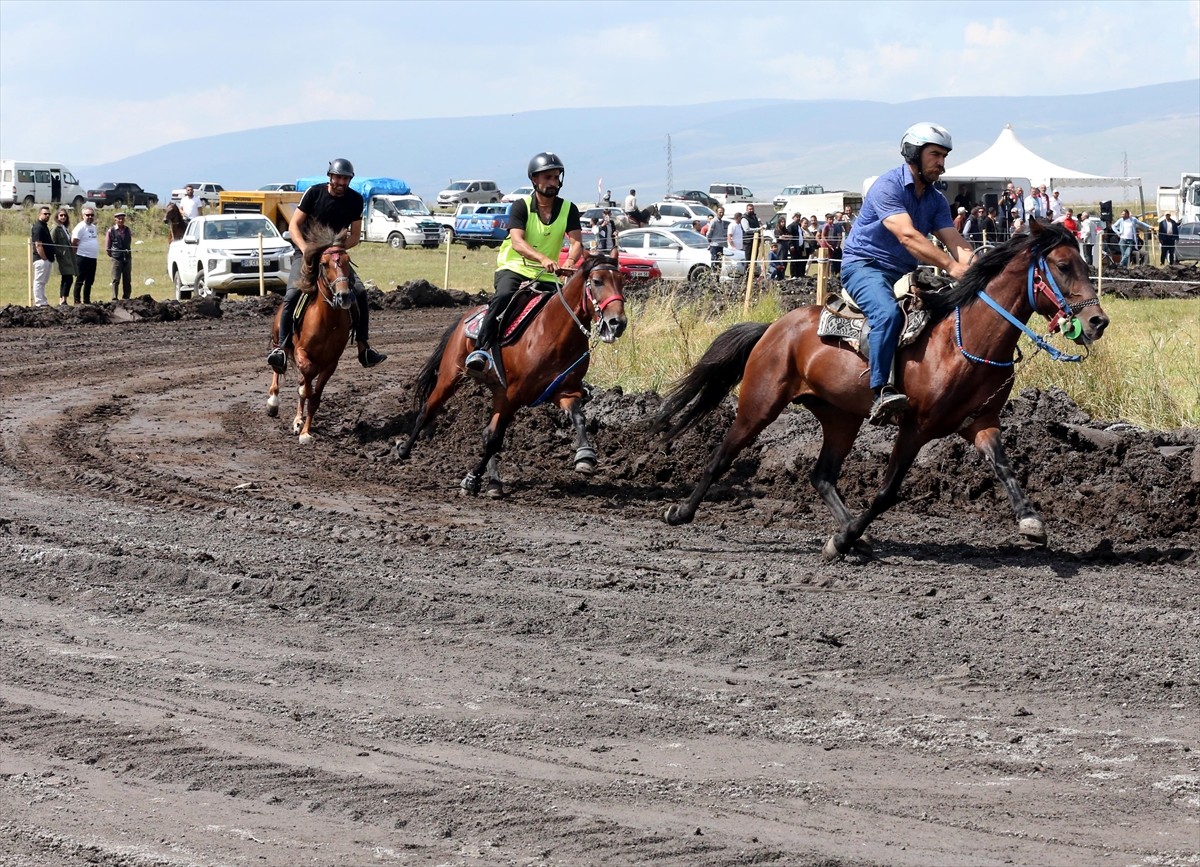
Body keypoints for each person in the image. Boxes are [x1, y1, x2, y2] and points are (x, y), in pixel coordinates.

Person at [839, 122, 973, 426]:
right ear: (913, 153)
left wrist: (976, 268)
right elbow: (908, 236)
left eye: (944, 156)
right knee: (887, 315)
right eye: (935, 155)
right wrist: (952, 267)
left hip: (904, 272)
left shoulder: (936, 200)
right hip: (865, 266)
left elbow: (954, 241)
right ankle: (881, 392)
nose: (942, 163)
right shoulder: (887, 187)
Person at [465, 152, 583, 375]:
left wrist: (569, 260)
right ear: (534, 180)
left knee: (566, 310)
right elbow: (518, 242)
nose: (553, 182)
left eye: (556, 177)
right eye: (547, 177)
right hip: (515, 268)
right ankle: (480, 350)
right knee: (503, 297)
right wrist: (543, 259)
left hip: (548, 275)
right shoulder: (521, 206)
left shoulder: (569, 209)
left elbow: (577, 242)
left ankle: (568, 363)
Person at [266, 158, 386, 374]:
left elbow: (356, 236)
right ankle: (282, 349)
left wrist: (336, 250)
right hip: (307, 254)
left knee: (359, 291)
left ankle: (364, 348)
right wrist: (305, 249)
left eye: (346, 179)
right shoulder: (314, 193)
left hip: (335, 257)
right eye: (338, 177)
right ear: (330, 176)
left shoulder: (355, 200)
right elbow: (294, 225)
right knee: (292, 294)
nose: (341, 182)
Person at [71, 207, 99, 304]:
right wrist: (75, 257)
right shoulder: (80, 227)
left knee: (89, 281)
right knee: (80, 280)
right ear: (83, 216)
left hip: (92, 257)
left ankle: (87, 300)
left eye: (92, 215)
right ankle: (77, 301)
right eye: (88, 215)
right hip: (82, 257)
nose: (90, 217)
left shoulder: (94, 227)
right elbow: (74, 242)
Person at [52, 208, 77, 306]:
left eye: (65, 215)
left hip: (68, 257)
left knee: (68, 278)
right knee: (67, 278)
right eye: (61, 215)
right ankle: (62, 300)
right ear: (57, 217)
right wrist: (60, 253)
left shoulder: (64, 228)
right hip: (62, 258)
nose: (63, 217)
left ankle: (64, 299)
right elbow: (52, 243)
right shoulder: (56, 228)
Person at [30, 206, 54, 307]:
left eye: (49, 214)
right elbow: (38, 244)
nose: (47, 215)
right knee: (39, 281)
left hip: (47, 258)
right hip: (41, 259)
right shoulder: (38, 227)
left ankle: (43, 301)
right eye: (45, 214)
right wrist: (44, 258)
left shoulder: (44, 226)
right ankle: (39, 302)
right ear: (39, 214)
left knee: (43, 282)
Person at [106, 212, 133, 300]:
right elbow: (108, 247)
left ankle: (126, 297)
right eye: (119, 219)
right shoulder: (111, 231)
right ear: (115, 220)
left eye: (122, 219)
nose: (121, 220)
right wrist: (114, 255)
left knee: (127, 279)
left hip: (127, 257)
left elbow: (129, 241)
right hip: (116, 258)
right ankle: (114, 298)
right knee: (115, 279)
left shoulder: (127, 230)